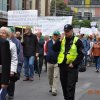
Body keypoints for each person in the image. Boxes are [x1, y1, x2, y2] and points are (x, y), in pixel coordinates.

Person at [53, 24, 84, 100]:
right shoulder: (62, 40)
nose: (66, 33)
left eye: (68, 31)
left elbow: (81, 54)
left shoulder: (77, 41)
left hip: (72, 67)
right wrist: (59, 40)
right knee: (64, 86)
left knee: (70, 86)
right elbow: (55, 49)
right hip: (62, 66)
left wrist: (73, 63)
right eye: (65, 31)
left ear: (72, 31)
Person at [0, 27, 18, 99]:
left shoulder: (11, 45)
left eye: (3, 33)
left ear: (7, 35)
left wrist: (12, 70)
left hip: (7, 69)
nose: (1, 34)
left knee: (4, 88)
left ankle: (10, 94)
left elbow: (14, 58)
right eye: (0, 32)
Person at [46, 31, 60, 96]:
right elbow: (46, 50)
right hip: (49, 61)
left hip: (57, 62)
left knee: (55, 76)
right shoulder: (48, 42)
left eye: (57, 35)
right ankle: (51, 86)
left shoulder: (60, 43)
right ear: (52, 35)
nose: (55, 36)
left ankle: (54, 90)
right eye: (54, 35)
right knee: (50, 76)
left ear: (58, 36)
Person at [0, 28, 11, 100]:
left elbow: (6, 62)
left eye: (3, 33)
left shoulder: (5, 43)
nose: (1, 34)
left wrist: (5, 81)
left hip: (1, 72)